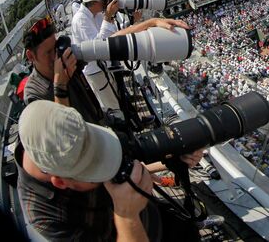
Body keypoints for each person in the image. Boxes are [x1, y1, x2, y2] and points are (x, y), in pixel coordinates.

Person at [16, 100, 204, 241]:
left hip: (161, 218)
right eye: (96, 171)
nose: (109, 170)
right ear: (61, 182)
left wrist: (173, 157)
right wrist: (127, 216)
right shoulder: (44, 217)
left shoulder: (64, 132)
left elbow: (131, 160)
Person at [71, 0, 189, 110]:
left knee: (118, 102)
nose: (108, 3)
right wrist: (108, 17)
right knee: (114, 108)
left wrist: (134, 22)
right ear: (94, 1)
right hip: (96, 73)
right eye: (105, 0)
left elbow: (115, 35)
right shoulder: (81, 19)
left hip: (104, 68)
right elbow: (99, 47)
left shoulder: (96, 15)